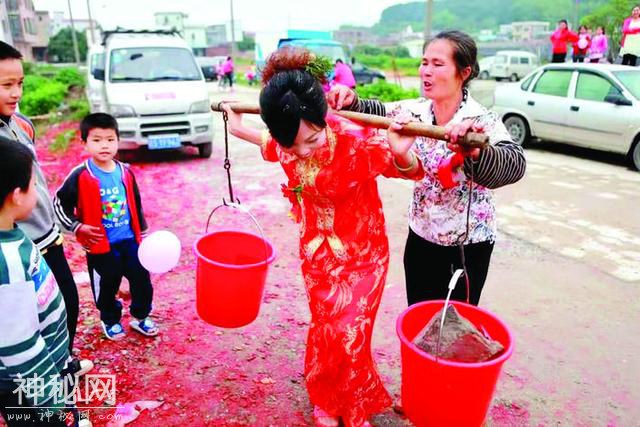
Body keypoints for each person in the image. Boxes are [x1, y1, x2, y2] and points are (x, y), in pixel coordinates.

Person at [221, 47, 424, 427]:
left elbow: (410, 172)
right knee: (326, 327)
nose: (301, 151)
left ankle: (354, 405)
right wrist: (236, 128)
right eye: (291, 145)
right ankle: (326, 399)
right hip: (317, 254)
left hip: (364, 255)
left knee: (352, 331)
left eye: (311, 140)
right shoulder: (285, 143)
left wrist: (401, 153)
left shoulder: (354, 142)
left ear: (323, 120)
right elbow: (269, 147)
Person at [328, 30, 526, 307]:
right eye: (424, 62)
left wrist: (477, 153)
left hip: (467, 246)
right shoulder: (414, 112)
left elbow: (515, 164)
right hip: (422, 235)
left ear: (464, 72)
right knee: (418, 316)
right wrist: (350, 99)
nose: (426, 72)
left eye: (437, 64)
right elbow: (374, 111)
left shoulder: (481, 120)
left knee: (454, 325)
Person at [0, 41, 92, 375]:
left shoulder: (21, 124)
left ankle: (62, 359)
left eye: (20, 83)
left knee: (65, 302)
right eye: (6, 85)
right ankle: (42, 382)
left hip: (47, 234)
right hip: (19, 246)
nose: (16, 93)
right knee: (28, 320)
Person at [0, 137, 91, 427]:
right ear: (16, 195)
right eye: (33, 185)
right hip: (30, 389)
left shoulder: (12, 232)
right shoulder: (9, 265)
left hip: (49, 367)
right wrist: (54, 407)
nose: (37, 194)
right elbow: (21, 349)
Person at [54, 113, 158, 341]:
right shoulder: (81, 174)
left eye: (110, 139)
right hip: (101, 246)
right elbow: (59, 203)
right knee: (107, 283)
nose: (104, 145)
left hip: (130, 241)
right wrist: (76, 227)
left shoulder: (125, 172)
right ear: (85, 143)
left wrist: (143, 233)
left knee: (141, 279)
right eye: (97, 140)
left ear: (118, 141)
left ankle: (141, 316)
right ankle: (109, 319)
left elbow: (136, 203)